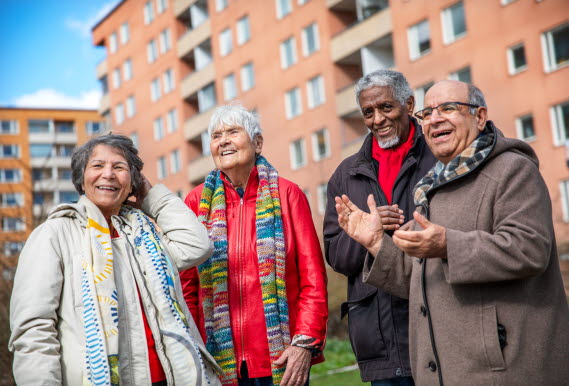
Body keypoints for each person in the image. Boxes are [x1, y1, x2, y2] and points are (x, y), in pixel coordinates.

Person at [335, 80, 569, 385]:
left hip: (504, 369)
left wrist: (448, 245)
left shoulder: (512, 170)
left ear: (480, 116)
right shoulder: (431, 187)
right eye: (428, 112)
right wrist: (377, 243)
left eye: (448, 108)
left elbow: (529, 249)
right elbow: (418, 278)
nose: (435, 119)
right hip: (445, 370)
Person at [9, 134, 222, 385]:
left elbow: (197, 245)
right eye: (97, 166)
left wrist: (151, 197)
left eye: (119, 167)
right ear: (81, 177)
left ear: (133, 182)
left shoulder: (143, 237)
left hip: (168, 378)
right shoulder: (53, 235)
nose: (108, 174)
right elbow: (34, 332)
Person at [180, 103, 328, 386]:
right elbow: (188, 288)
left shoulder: (288, 195)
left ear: (257, 142)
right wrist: (192, 348)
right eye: (216, 135)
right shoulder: (196, 203)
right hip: (218, 361)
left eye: (233, 132)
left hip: (281, 357)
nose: (223, 141)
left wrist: (304, 345)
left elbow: (313, 278)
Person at [323, 69, 436, 385]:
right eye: (368, 112)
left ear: (409, 104)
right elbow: (336, 255)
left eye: (386, 107)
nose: (377, 119)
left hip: (438, 328)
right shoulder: (346, 175)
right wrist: (367, 236)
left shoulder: (439, 156)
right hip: (381, 339)